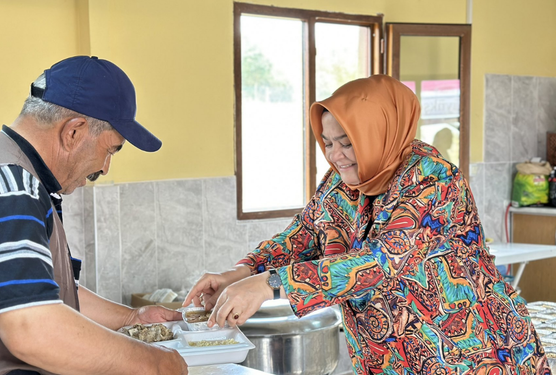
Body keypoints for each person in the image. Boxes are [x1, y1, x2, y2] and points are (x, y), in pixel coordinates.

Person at [184, 75, 552, 374]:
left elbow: (380, 263)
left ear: (379, 132)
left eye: (347, 142)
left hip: (468, 355)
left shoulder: (433, 180)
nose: (335, 155)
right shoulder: (342, 181)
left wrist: (270, 285)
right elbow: (305, 232)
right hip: (387, 357)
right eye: (327, 142)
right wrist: (241, 271)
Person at [0, 56, 188, 375]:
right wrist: (155, 363)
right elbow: (32, 329)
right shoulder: (7, 188)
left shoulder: (5, 173)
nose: (105, 167)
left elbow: (38, 291)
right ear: (73, 132)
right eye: (111, 150)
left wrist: (131, 319)